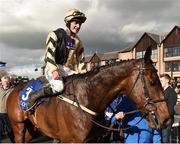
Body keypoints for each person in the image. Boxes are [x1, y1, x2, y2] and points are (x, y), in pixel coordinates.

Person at [27, 8, 87, 109]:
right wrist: (54, 70)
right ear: (67, 22)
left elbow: (81, 60)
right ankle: (35, 96)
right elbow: (49, 54)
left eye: (80, 24)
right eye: (75, 23)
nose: (78, 26)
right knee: (59, 87)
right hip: (53, 68)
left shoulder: (78, 41)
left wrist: (84, 75)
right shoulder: (55, 34)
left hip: (68, 70)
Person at [159, 74, 177, 143]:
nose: (160, 82)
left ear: (167, 81)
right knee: (160, 139)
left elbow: (171, 109)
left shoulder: (172, 92)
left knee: (165, 140)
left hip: (167, 120)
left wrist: (166, 119)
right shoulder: (162, 92)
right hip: (160, 120)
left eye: (162, 81)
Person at [0, 76, 14, 142]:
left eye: (8, 81)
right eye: (5, 81)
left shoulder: (13, 90)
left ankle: (14, 142)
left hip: (9, 114)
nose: (6, 83)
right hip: (0, 113)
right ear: (1, 82)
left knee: (10, 130)